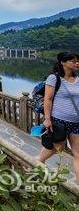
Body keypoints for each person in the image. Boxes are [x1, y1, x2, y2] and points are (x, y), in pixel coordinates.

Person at [38, 52, 79, 183]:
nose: (77, 63)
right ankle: (38, 161)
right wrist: (48, 119)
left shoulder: (78, 80)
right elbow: (48, 99)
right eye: (73, 61)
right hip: (59, 121)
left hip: (76, 122)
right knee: (57, 149)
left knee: (78, 154)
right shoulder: (54, 78)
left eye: (77, 61)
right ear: (63, 62)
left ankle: (77, 186)